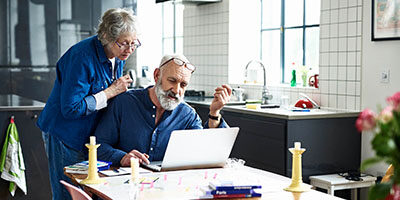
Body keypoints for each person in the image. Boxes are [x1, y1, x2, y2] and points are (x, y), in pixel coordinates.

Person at [36, 8, 139, 200]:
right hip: (65, 134)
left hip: (89, 138)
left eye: (134, 43)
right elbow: (71, 108)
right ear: (107, 36)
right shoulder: (81, 57)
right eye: (124, 43)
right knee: (68, 194)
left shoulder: (118, 56)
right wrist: (110, 92)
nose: (130, 49)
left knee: (89, 193)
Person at [95, 54, 232, 166]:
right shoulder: (124, 102)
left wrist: (214, 113)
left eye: (183, 85)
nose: (177, 90)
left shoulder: (187, 115)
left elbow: (204, 152)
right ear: (156, 75)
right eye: (172, 81)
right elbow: (98, 146)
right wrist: (122, 157)